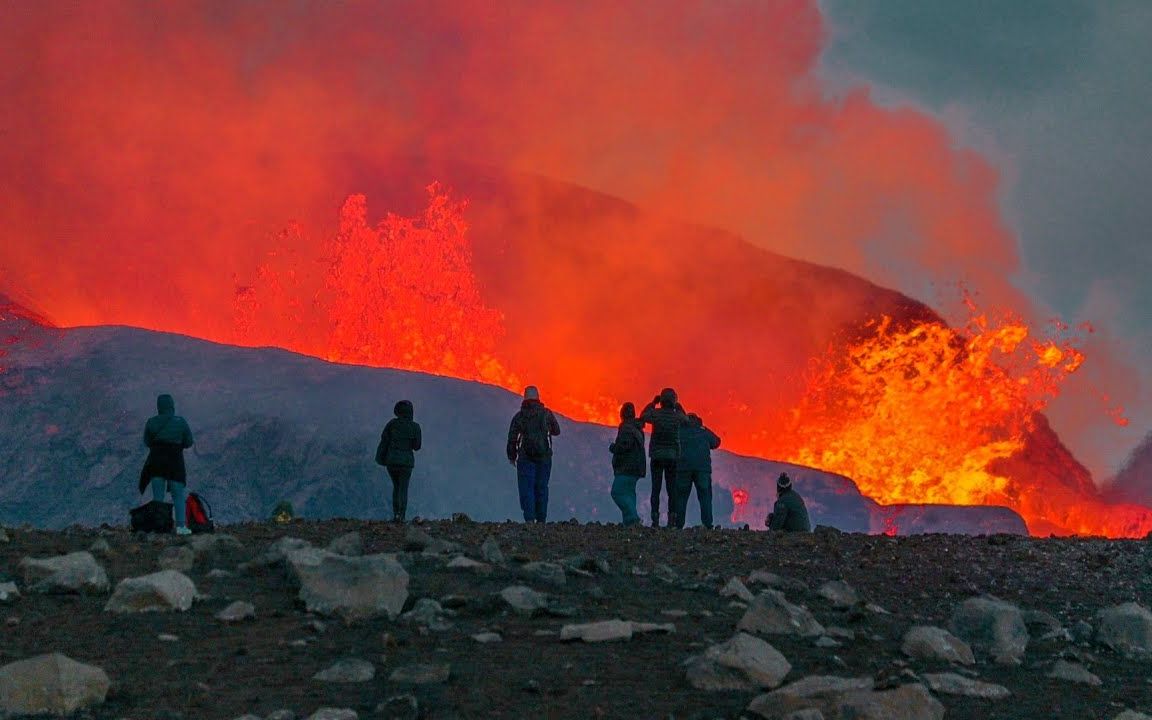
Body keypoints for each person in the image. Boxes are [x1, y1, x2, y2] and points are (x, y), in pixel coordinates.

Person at [139, 393, 195, 535]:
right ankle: (181, 527)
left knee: (158, 496)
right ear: (172, 406)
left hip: (156, 461)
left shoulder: (151, 422)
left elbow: (147, 441)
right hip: (175, 462)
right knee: (178, 494)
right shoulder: (180, 422)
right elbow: (189, 442)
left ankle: (160, 527)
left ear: (158, 407)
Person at [506, 385, 561, 523]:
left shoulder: (520, 416)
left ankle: (529, 520)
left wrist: (512, 456)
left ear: (525, 398)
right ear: (538, 397)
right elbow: (557, 431)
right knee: (541, 487)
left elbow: (512, 438)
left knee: (527, 488)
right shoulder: (546, 414)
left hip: (525, 458)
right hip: (544, 457)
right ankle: (541, 520)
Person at [639, 388, 690, 527]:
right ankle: (671, 519)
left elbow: (642, 416)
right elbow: (687, 421)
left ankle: (655, 518)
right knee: (671, 489)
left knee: (655, 488)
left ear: (661, 400)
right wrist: (680, 408)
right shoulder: (676, 416)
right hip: (672, 457)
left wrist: (652, 403)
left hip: (656, 455)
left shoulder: (656, 414)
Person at [375, 400, 423, 522]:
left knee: (396, 487)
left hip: (391, 461)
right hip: (406, 463)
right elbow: (417, 446)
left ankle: (396, 514)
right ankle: (402, 515)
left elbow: (384, 440)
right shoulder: (415, 427)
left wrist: (381, 457)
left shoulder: (392, 424)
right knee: (403, 488)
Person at [671, 413, 721, 529]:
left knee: (681, 498)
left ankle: (678, 525)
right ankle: (707, 524)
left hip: (683, 468)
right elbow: (716, 442)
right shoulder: (703, 431)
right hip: (702, 469)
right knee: (705, 497)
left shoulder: (679, 432)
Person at [609, 402, 646, 526]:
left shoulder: (626, 428)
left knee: (617, 492)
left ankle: (632, 518)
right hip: (637, 468)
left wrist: (614, 448)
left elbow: (625, 445)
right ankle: (629, 524)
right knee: (629, 493)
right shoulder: (637, 428)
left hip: (626, 467)